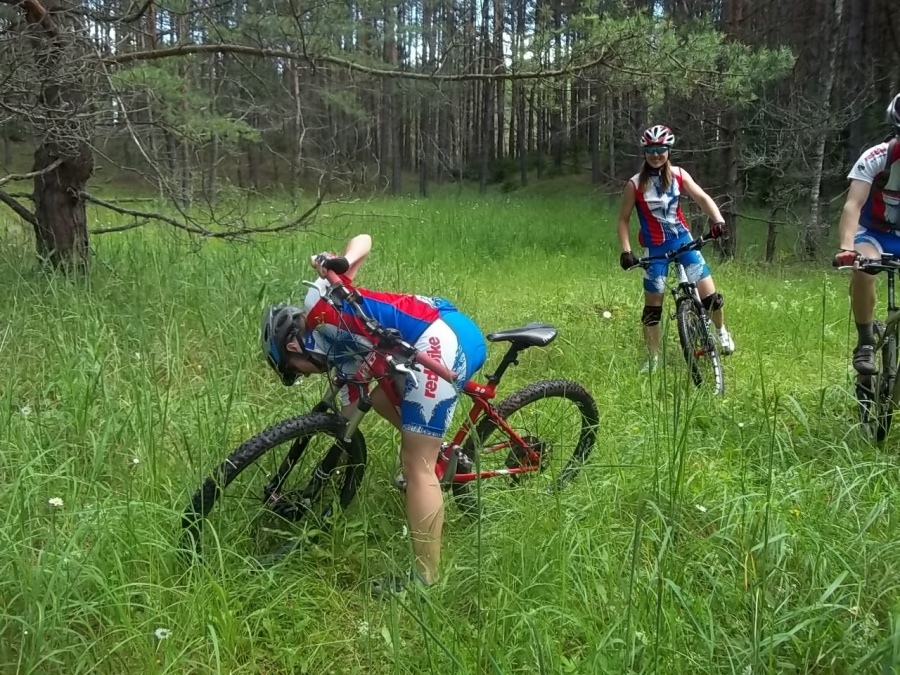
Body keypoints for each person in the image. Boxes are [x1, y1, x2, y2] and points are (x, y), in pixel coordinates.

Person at [259, 233, 487, 595]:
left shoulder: (320, 303)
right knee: (378, 395)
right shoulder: (333, 343)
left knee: (416, 465)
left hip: (440, 341)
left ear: (292, 345)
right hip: (433, 324)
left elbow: (364, 240)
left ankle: (426, 580)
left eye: (295, 368)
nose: (303, 374)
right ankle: (438, 448)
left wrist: (344, 262)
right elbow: (349, 414)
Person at [616, 124, 736, 373]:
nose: (656, 154)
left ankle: (721, 331)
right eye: (651, 150)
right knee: (652, 310)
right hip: (654, 249)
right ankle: (654, 358)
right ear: (645, 153)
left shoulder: (680, 175)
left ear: (668, 150)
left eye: (661, 149)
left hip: (683, 241)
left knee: (711, 298)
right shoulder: (635, 184)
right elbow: (623, 219)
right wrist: (626, 250)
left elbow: (702, 197)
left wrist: (718, 221)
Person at [833, 93, 900, 375]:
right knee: (863, 269)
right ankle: (865, 342)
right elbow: (853, 205)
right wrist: (847, 248)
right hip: (873, 233)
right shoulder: (877, 157)